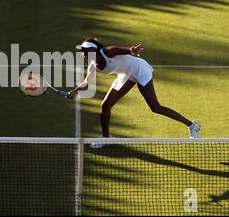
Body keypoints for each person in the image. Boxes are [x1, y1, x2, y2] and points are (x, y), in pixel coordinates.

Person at [69, 38, 200, 146]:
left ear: (93, 51)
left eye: (85, 52)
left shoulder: (108, 51)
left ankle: (192, 125)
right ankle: (106, 138)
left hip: (140, 70)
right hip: (126, 75)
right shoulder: (93, 64)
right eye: (82, 52)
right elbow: (87, 82)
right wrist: (75, 91)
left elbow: (127, 50)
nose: (83, 55)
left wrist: (132, 50)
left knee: (155, 107)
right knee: (105, 105)